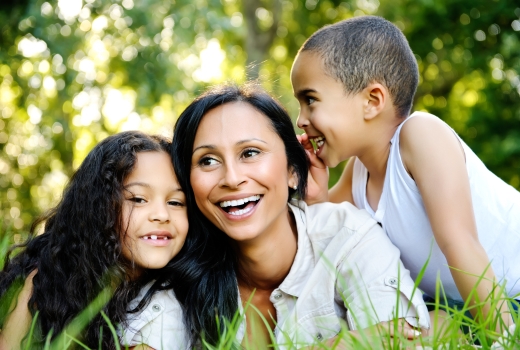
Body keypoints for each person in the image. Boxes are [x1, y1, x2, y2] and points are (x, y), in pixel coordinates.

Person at [290, 15, 520, 332]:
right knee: (413, 330)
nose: (301, 119)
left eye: (310, 100)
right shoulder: (358, 175)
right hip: (463, 305)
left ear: (372, 101)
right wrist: (316, 196)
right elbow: (327, 246)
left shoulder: (420, 135)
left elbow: (460, 241)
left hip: (505, 299)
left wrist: (504, 336)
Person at [171, 83, 433, 349]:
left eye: (250, 153)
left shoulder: (347, 237)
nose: (232, 178)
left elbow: (408, 341)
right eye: (207, 160)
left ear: (293, 171)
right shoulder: (177, 273)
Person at [0, 131, 189, 349]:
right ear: (98, 209)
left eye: (176, 202)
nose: (161, 215)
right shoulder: (46, 278)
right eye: (138, 199)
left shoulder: (169, 304)